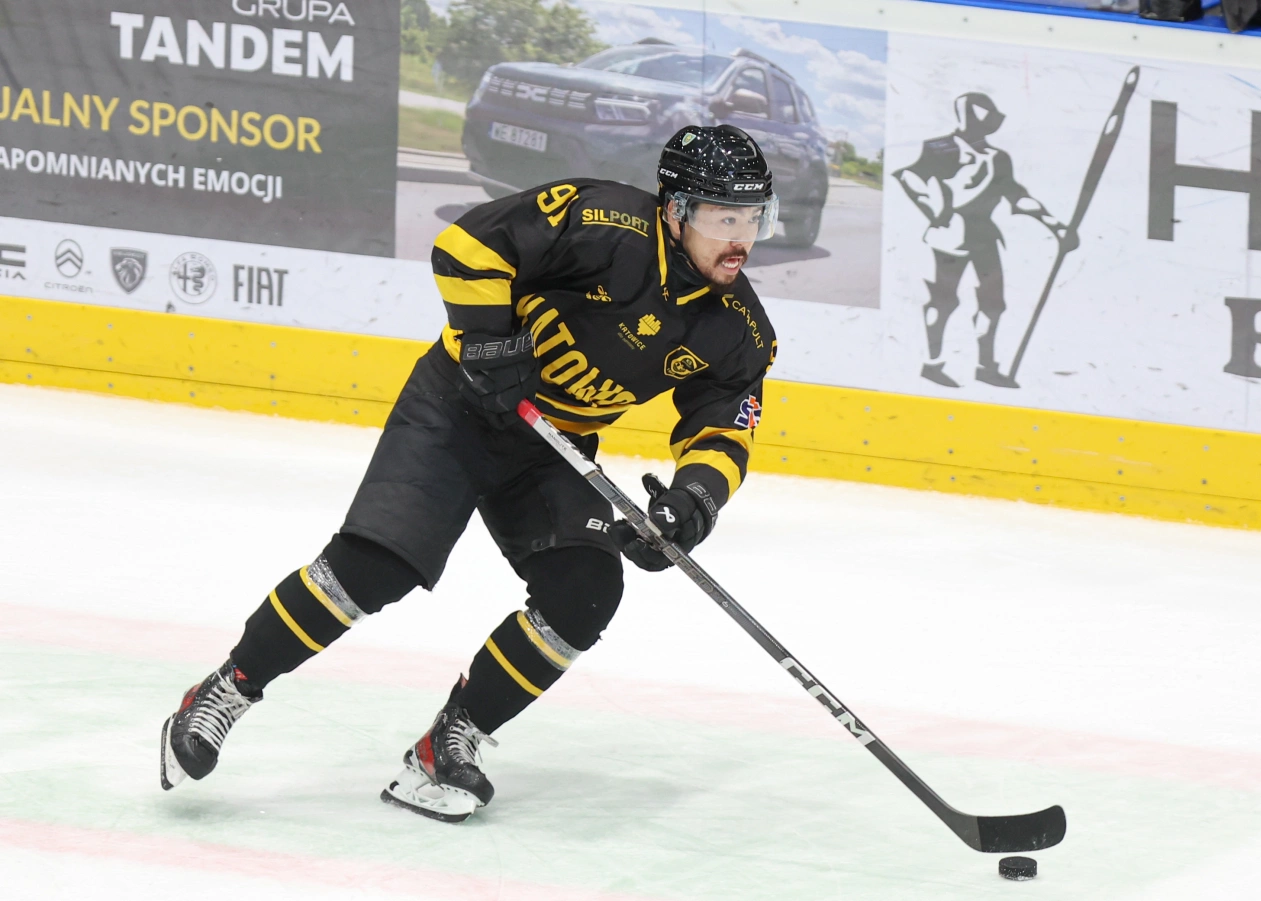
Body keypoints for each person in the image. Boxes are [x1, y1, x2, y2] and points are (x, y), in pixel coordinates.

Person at [158, 124, 779, 824]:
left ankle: (449, 742)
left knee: (586, 591)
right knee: (375, 567)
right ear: (674, 210)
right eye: (723, 218)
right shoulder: (603, 223)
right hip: (457, 405)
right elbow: (469, 244)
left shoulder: (738, 326)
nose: (740, 239)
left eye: (753, 219)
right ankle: (226, 689)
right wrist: (486, 338)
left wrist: (692, 502)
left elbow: (724, 428)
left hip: (552, 445)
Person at [894, 92, 1077, 389]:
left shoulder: (998, 158)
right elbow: (909, 177)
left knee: (993, 304)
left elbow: (1017, 196)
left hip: (984, 237)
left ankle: (986, 368)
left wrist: (1056, 226)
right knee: (943, 300)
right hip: (949, 237)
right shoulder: (938, 148)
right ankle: (932, 364)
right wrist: (934, 210)